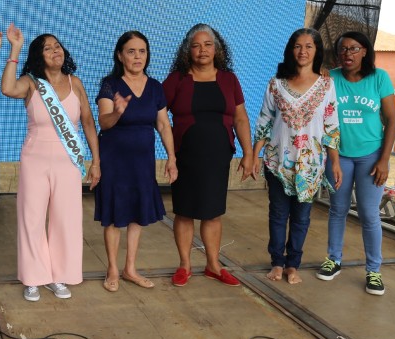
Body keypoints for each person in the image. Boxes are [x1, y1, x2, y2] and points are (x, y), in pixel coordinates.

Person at [1, 28, 101, 301]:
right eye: (48, 48)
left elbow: (89, 123)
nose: (56, 50)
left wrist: (96, 161)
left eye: (58, 46)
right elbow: (7, 88)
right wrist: (15, 49)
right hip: (35, 159)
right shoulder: (31, 83)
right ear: (39, 56)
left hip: (68, 163)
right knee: (31, 218)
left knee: (65, 220)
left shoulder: (75, 83)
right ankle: (34, 278)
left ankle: (60, 276)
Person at [162, 23, 254, 287]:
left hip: (217, 156)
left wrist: (248, 153)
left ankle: (213, 265)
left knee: (213, 212)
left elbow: (240, 117)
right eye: (196, 45)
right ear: (187, 51)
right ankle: (185, 265)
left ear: (217, 49)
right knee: (184, 211)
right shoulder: (177, 79)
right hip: (185, 156)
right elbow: (158, 115)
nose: (202, 50)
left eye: (207, 44)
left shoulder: (229, 79)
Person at [252, 28, 341, 284]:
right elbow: (264, 122)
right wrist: (254, 156)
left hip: (311, 166)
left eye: (309, 46)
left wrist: (334, 162)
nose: (303, 51)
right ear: (291, 50)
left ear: (317, 51)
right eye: (298, 46)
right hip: (278, 161)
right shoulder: (276, 83)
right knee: (278, 214)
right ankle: (277, 263)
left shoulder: (326, 85)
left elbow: (331, 126)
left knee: (302, 217)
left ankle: (293, 264)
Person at [95, 31, 177, 292]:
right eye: (131, 51)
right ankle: (112, 269)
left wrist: (172, 158)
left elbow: (163, 125)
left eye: (142, 51)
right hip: (114, 159)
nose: (137, 56)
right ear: (120, 55)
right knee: (113, 216)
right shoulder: (110, 84)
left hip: (143, 161)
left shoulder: (155, 87)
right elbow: (104, 122)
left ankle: (130, 268)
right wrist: (118, 111)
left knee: (137, 215)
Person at [317, 31, 395, 296]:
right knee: (337, 209)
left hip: (371, 156)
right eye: (342, 49)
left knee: (369, 214)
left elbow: (391, 121)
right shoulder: (331, 79)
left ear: (364, 51)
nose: (347, 54)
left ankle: (374, 271)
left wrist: (385, 160)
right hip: (339, 156)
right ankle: (333, 259)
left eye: (353, 48)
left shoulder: (379, 78)